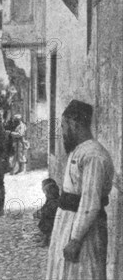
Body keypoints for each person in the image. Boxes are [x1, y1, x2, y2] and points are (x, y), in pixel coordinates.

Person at [46, 100, 114, 280]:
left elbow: (90, 202)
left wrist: (75, 239)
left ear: (74, 123)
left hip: (84, 231)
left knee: (84, 273)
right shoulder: (79, 151)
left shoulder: (93, 155)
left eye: (63, 126)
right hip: (67, 223)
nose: (62, 132)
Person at [33, 178, 60, 247]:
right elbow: (46, 206)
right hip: (51, 216)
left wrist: (41, 213)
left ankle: (46, 240)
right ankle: (43, 235)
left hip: (54, 218)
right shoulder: (50, 198)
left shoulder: (54, 200)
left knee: (46, 222)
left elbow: (50, 210)